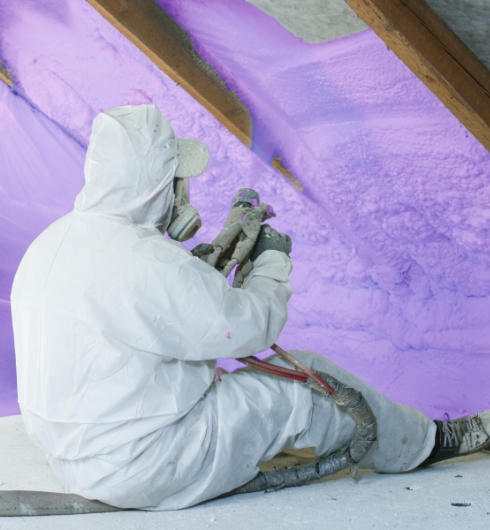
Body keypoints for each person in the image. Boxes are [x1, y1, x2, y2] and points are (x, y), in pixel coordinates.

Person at [11, 104, 490, 511]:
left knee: (228, 383)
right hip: (146, 463)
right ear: (158, 183)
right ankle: (430, 444)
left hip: (73, 458)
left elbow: (147, 313)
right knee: (314, 383)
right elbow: (250, 327)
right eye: (177, 178)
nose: (183, 191)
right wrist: (270, 260)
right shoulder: (146, 261)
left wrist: (203, 271)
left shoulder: (55, 243)